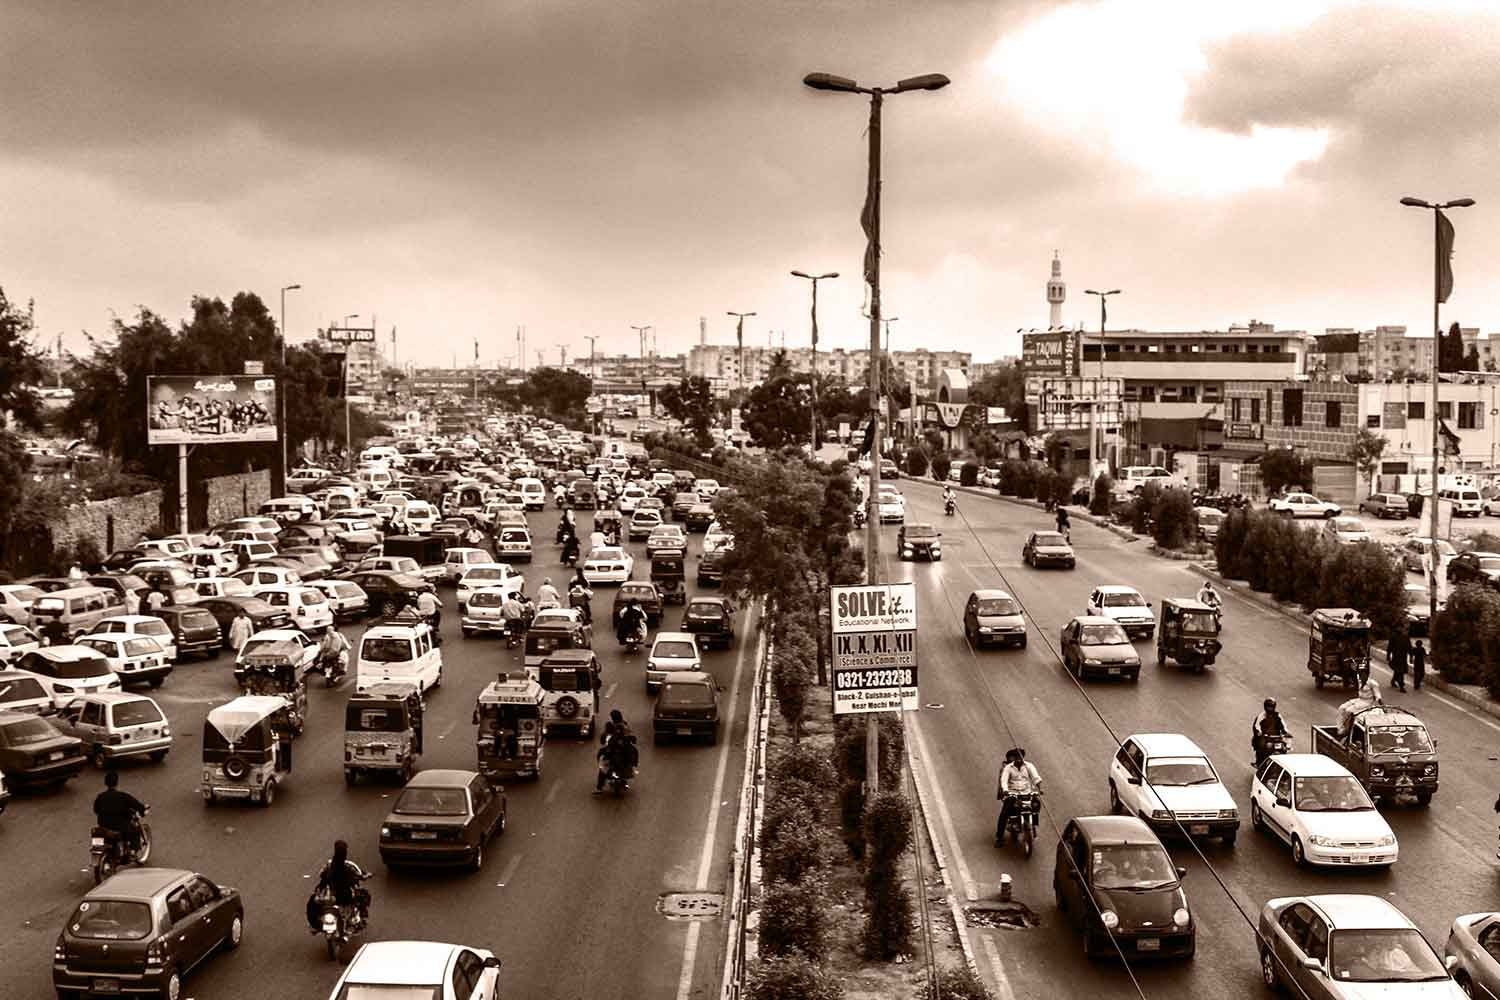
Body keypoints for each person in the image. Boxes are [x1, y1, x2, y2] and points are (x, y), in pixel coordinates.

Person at [308, 839, 370, 931]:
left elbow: (321, 874)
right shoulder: (348, 866)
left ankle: (315, 926)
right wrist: (366, 876)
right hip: (345, 896)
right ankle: (361, 919)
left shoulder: (330, 865)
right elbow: (359, 875)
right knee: (364, 895)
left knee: (312, 902)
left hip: (329, 896)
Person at [994, 747, 1043, 847]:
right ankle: (999, 837)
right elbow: (1003, 781)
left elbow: (1036, 778)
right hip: (1013, 793)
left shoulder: (1029, 766)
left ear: (1023, 757)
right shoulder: (1008, 768)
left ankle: (1034, 825)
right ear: (1014, 758)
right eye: (1016, 757)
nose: (1019, 759)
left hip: (1026, 792)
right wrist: (1006, 791)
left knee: (1036, 804)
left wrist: (1039, 788)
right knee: (1005, 812)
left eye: (1021, 757)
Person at [94, 770, 147, 857]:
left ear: (105, 783)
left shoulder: (100, 797)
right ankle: (133, 851)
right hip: (119, 826)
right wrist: (143, 809)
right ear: (117, 783)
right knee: (134, 831)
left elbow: (96, 810)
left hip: (103, 825)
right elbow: (137, 805)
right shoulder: (123, 796)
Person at [594, 727, 639, 793]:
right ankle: (599, 787)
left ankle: (599, 787)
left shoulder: (625, 740)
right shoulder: (613, 739)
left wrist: (632, 763)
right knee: (602, 770)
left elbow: (631, 753)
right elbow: (608, 750)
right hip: (615, 763)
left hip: (623, 764)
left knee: (603, 770)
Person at [1252, 699, 1289, 764]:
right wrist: (1259, 732)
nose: (1270, 708)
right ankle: (1259, 763)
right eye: (1268, 706)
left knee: (1284, 747)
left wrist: (1286, 732)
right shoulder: (1261, 716)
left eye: (1271, 707)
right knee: (1261, 746)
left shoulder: (1277, 715)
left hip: (1276, 737)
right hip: (1266, 737)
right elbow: (1256, 726)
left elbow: (1283, 724)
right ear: (1265, 707)